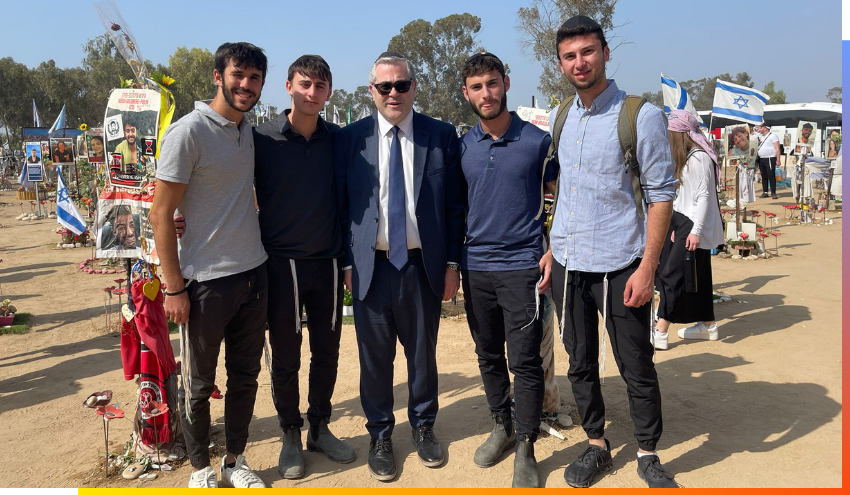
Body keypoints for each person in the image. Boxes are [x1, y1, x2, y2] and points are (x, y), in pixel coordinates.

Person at [545, 16, 678, 488]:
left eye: (587, 51)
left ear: (604, 52)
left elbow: (661, 195)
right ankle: (596, 444)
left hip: (622, 263)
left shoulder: (639, 115)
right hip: (568, 261)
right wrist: (551, 248)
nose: (579, 62)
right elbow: (565, 191)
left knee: (635, 361)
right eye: (569, 55)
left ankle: (647, 452)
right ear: (560, 63)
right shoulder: (563, 115)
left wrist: (648, 267)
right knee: (579, 359)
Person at [334, 51, 464, 482]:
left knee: (423, 354)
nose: (393, 93)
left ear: (414, 87)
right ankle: (380, 434)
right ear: (371, 90)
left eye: (401, 85)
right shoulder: (350, 139)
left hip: (421, 266)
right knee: (374, 359)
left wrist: (451, 263)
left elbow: (454, 206)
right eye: (384, 86)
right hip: (370, 267)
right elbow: (341, 208)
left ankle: (424, 426)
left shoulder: (441, 136)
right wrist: (347, 263)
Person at [150, 41, 269, 489]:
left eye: (254, 78)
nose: (246, 85)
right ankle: (200, 468)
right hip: (204, 283)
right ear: (218, 76)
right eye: (238, 75)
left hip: (253, 273)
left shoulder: (247, 132)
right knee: (199, 385)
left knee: (245, 376)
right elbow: (161, 212)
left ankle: (235, 460)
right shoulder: (188, 132)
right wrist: (174, 286)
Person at [253, 55, 356, 479]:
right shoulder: (261, 138)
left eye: (320, 86)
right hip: (282, 264)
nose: (312, 93)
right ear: (288, 86)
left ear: (329, 92)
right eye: (305, 84)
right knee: (286, 356)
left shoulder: (339, 140)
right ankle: (289, 433)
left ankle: (319, 426)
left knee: (327, 352)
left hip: (328, 263)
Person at [459, 52, 554, 487]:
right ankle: (502, 424)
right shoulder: (463, 145)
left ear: (506, 84)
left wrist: (553, 247)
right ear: (467, 93)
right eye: (477, 87)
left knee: (526, 361)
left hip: (523, 267)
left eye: (492, 84)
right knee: (487, 354)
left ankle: (527, 445)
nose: (486, 93)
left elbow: (562, 197)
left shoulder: (537, 142)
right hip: (476, 267)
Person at [653, 110, 725, 349]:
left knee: (673, 274)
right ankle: (708, 324)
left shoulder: (697, 158)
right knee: (700, 275)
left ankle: (661, 330)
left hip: (694, 223)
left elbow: (702, 197)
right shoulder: (688, 157)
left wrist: (694, 230)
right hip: (685, 222)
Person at [755, 124, 781, 199]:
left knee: (771, 175)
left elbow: (777, 148)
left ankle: (773, 192)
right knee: (764, 175)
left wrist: (778, 159)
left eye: (761, 127)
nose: (760, 129)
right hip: (761, 158)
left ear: (766, 128)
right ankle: (765, 192)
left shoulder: (773, 136)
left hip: (770, 158)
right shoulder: (760, 137)